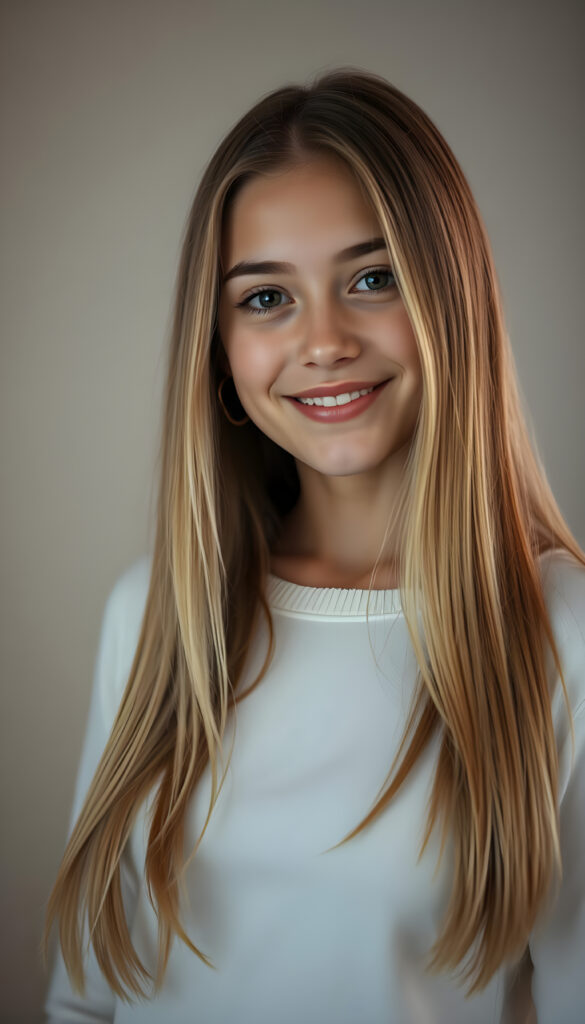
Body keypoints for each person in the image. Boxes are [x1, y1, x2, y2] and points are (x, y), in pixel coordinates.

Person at [43, 68, 585, 1023]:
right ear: (219, 349)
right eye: (265, 298)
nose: (323, 341)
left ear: (452, 298)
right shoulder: (153, 613)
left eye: (372, 279)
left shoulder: (557, 631)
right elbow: (85, 998)